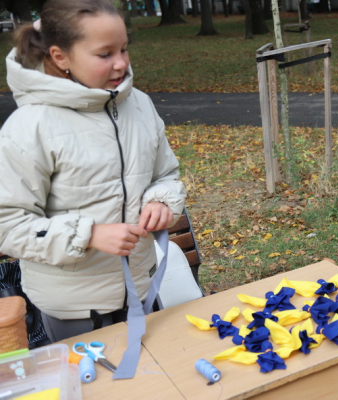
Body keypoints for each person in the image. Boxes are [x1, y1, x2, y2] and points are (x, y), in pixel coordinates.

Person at [0, 0, 186, 342]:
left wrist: (161, 201)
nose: (121, 63)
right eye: (105, 54)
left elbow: (166, 175)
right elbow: (9, 224)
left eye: (124, 49)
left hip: (143, 289)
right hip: (76, 310)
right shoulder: (28, 128)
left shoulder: (139, 105)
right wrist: (89, 235)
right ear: (60, 57)